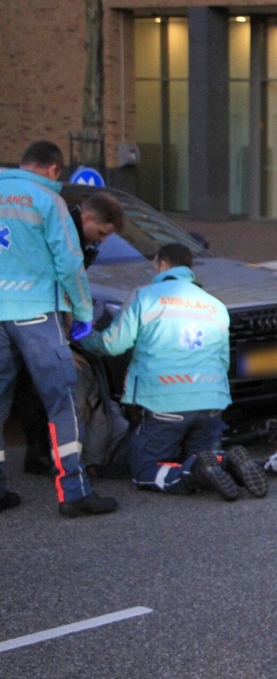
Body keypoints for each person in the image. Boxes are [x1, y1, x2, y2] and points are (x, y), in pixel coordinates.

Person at [79, 243, 267, 501]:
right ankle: (226, 462)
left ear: (162, 264)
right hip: (211, 404)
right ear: (189, 268)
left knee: (145, 470)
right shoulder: (215, 306)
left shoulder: (145, 297)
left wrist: (82, 336)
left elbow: (113, 345)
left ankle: (194, 474)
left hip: (165, 405)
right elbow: (222, 361)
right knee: (199, 455)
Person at [0, 140, 118, 517]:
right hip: (35, 311)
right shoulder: (48, 201)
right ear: (54, 169)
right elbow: (69, 266)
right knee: (62, 399)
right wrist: (82, 315)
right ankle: (74, 491)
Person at [22, 191, 125, 475]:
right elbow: (56, 283)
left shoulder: (80, 238)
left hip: (40, 312)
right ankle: (41, 456)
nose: (102, 240)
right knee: (36, 385)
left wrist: (68, 333)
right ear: (88, 217)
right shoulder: (62, 231)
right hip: (29, 313)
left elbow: (65, 290)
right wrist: (62, 344)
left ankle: (44, 453)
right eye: (102, 233)